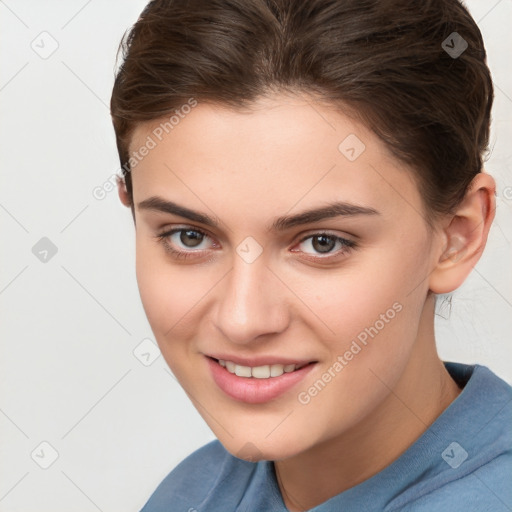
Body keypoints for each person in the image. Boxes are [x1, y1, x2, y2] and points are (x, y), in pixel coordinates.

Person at [110, 0, 512, 510]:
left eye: (323, 242)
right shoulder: (192, 493)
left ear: (457, 236)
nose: (242, 319)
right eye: (189, 236)